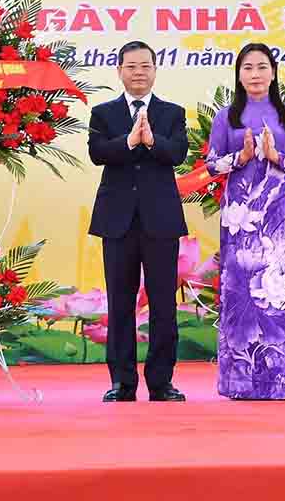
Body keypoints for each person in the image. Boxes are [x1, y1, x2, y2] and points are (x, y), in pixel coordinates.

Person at [204, 44, 285, 400]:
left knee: (279, 290)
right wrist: (242, 157)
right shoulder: (226, 117)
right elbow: (211, 165)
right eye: (248, 67)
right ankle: (241, 381)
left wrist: (276, 157)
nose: (255, 73)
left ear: (273, 72)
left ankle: (283, 379)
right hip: (240, 216)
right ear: (239, 74)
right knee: (241, 290)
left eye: (262, 66)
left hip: (279, 212)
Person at [87, 41, 188, 403]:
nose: (139, 72)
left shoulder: (172, 113)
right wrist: (128, 142)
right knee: (120, 303)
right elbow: (97, 153)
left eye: (145, 66)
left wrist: (152, 140)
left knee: (163, 304)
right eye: (131, 67)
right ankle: (122, 383)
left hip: (160, 220)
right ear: (119, 71)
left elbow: (177, 153)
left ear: (155, 69)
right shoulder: (103, 113)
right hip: (117, 221)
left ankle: (162, 383)